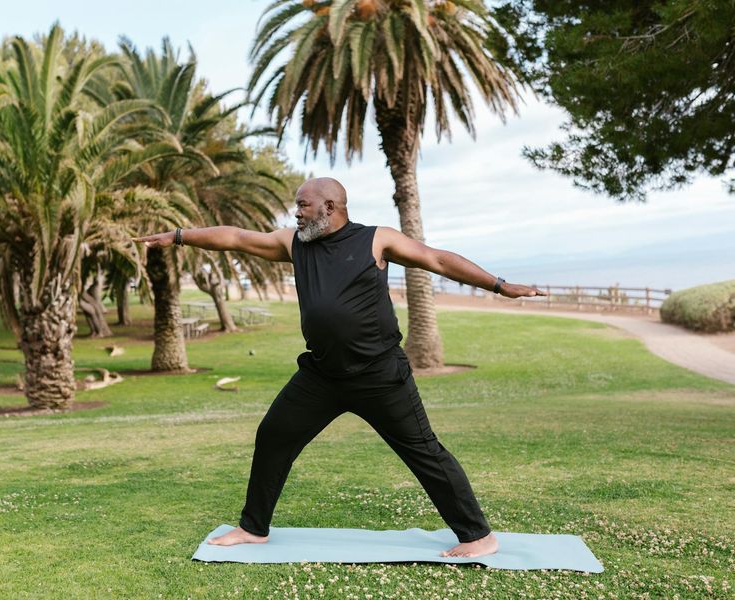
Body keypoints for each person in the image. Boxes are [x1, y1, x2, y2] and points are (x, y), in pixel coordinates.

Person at [133, 177, 547, 558]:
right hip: (321, 375)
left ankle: (478, 536)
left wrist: (499, 285)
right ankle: (253, 528)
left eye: (302, 205)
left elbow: (436, 259)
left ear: (329, 206)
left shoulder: (376, 239)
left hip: (380, 374)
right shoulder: (294, 243)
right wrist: (178, 236)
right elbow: (238, 238)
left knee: (424, 451)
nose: (295, 212)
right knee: (274, 435)